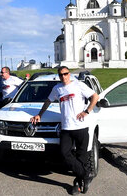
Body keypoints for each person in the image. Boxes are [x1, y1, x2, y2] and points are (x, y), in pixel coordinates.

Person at [30, 66, 99, 194]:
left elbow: (95, 97)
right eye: (61, 75)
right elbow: (48, 101)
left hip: (81, 127)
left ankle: (78, 184)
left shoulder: (79, 85)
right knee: (64, 153)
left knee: (81, 158)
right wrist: (40, 114)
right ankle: (87, 175)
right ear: (59, 76)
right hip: (66, 128)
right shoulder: (57, 88)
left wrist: (86, 111)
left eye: (66, 74)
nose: (64, 77)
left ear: (69, 74)